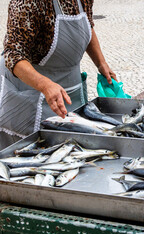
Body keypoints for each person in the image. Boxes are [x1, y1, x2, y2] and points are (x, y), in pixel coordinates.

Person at [0, 0, 116, 150]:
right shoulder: (29, 2)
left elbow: (87, 25)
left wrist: (101, 63)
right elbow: (13, 54)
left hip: (70, 93)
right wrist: (45, 85)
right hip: (31, 96)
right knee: (34, 153)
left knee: (75, 148)